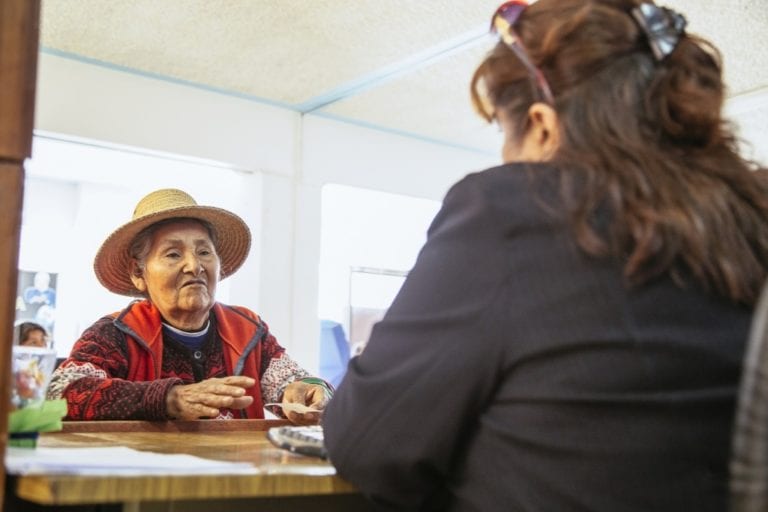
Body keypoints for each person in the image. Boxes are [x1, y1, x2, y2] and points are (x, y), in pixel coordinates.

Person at [322, 1, 768, 510]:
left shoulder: (511, 210)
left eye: (503, 135)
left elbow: (369, 442)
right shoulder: (750, 224)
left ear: (541, 125)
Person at [48, 188, 332, 423]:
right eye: (173, 254)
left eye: (204, 252)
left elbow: (292, 382)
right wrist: (169, 399)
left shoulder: (249, 330)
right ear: (138, 273)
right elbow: (61, 393)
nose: (194, 265)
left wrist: (309, 392)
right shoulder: (115, 333)